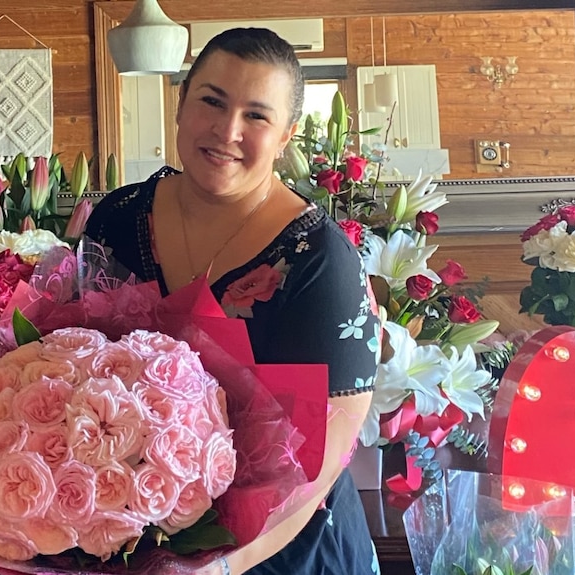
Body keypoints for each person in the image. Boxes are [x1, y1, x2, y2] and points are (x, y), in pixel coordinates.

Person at [85, 27, 380, 575]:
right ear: (180, 105)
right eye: (212, 102)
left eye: (257, 116)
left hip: (283, 549)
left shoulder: (318, 259)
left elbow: (324, 459)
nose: (227, 131)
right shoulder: (117, 219)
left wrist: (219, 567)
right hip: (130, 532)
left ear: (287, 134)